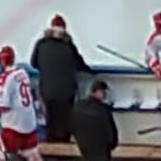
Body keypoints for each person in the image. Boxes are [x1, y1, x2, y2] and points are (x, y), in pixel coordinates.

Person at [31, 14, 90, 142]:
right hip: (66, 92)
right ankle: (64, 145)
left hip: (47, 90)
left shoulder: (41, 44)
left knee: (51, 120)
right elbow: (80, 64)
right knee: (65, 121)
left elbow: (33, 63)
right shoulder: (68, 46)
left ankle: (52, 146)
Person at [72, 80, 118, 161]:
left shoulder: (78, 106)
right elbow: (111, 135)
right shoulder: (103, 110)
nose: (105, 95)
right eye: (104, 92)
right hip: (102, 152)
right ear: (99, 92)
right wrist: (112, 145)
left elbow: (73, 127)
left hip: (84, 150)